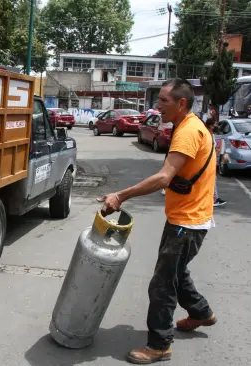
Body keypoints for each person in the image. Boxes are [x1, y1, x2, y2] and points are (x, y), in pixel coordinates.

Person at [97, 79, 216, 364]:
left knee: (162, 284)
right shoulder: (191, 124)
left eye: (163, 101)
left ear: (181, 103)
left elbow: (164, 177)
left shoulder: (187, 132)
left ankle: (160, 344)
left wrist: (121, 196)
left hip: (186, 223)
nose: (157, 106)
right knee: (177, 272)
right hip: (189, 218)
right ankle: (201, 313)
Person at [204, 118, 227, 207]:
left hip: (211, 162)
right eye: (215, 125)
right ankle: (214, 199)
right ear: (210, 126)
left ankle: (213, 198)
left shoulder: (212, 135)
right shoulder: (206, 135)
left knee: (212, 180)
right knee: (211, 180)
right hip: (206, 162)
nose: (217, 126)